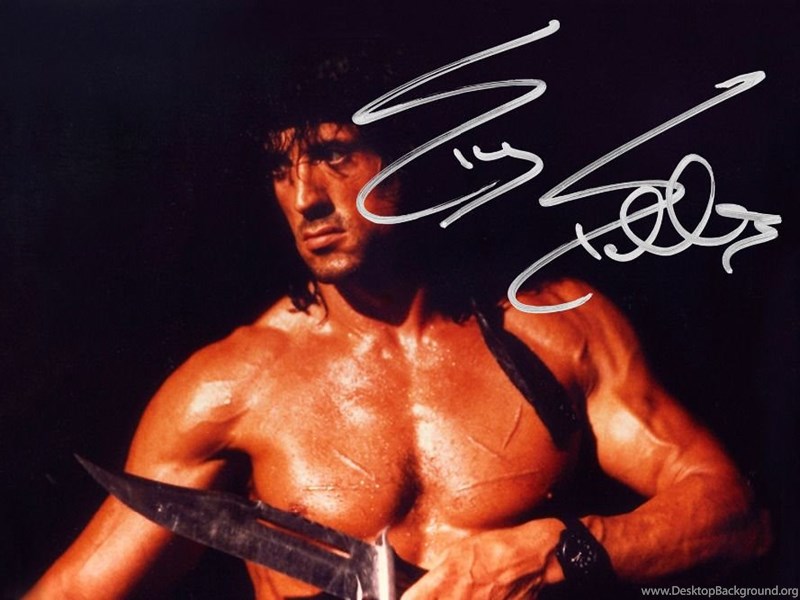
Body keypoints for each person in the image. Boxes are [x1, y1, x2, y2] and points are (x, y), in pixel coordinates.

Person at [26, 45, 771, 600]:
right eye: (282, 170)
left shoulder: (554, 329)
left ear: (413, 156)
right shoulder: (233, 386)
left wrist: (556, 552)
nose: (304, 199)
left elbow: (737, 518)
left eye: (334, 157)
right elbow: (74, 593)